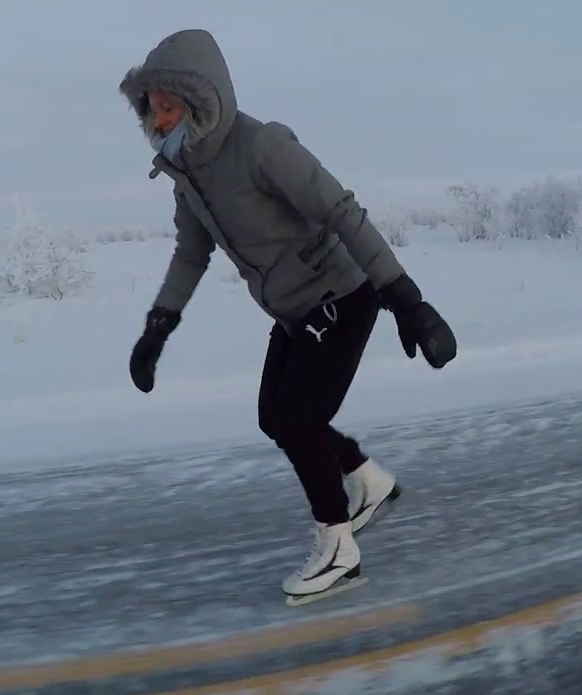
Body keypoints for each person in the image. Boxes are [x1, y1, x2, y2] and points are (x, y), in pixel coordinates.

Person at [118, 28, 456, 602]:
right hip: (296, 309)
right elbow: (190, 254)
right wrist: (159, 326)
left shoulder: (262, 146)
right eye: (152, 109)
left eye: (169, 105)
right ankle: (367, 480)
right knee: (274, 418)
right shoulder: (188, 177)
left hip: (342, 295)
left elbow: (342, 211)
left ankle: (338, 548)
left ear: (201, 98)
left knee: (298, 421)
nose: (160, 120)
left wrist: (407, 299)